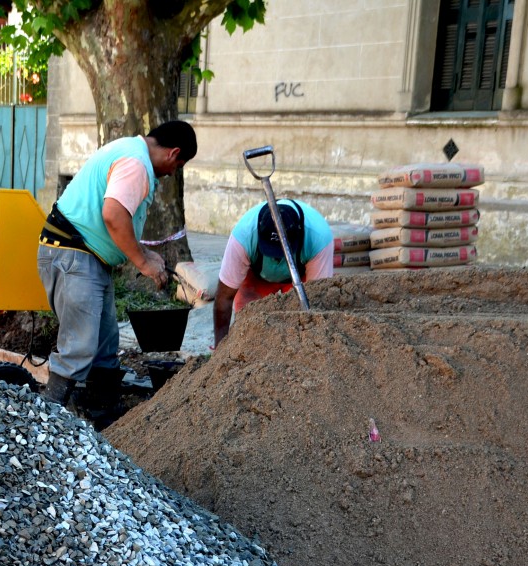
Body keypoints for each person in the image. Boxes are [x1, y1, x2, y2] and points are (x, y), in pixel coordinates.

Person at [37, 120, 198, 407]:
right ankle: (49, 414)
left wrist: (146, 254)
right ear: (174, 153)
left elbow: (117, 219)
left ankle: (103, 414)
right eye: (179, 165)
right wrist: (142, 262)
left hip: (85, 257)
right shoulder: (136, 163)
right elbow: (113, 215)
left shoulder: (130, 150)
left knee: (104, 343)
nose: (173, 172)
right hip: (74, 254)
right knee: (79, 346)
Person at [213, 199, 333, 347]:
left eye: (280, 254)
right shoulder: (244, 236)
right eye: (271, 251)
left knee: (296, 323)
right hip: (256, 278)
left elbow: (317, 300)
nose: (276, 259)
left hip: (300, 279)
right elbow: (224, 297)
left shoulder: (319, 238)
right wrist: (220, 350)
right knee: (247, 323)